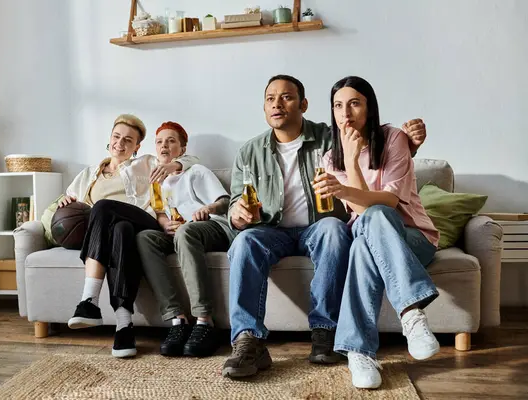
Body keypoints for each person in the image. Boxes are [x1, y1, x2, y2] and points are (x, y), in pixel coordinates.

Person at [221, 74, 428, 379]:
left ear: (304, 104)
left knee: (333, 228)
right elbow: (236, 204)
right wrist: (237, 214)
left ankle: (324, 332)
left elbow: (372, 149)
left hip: (317, 227)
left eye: (287, 97)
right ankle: (247, 340)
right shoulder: (248, 153)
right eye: (270, 99)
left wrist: (410, 145)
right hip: (271, 230)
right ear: (264, 107)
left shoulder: (330, 139)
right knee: (244, 242)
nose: (277, 104)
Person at [315, 76, 440, 389]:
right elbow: (360, 212)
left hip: (414, 238)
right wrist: (350, 157)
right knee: (363, 242)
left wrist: (353, 165)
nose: (346, 113)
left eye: (355, 103)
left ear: (369, 108)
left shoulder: (394, 138)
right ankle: (409, 318)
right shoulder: (331, 158)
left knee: (377, 216)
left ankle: (363, 346)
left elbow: (388, 201)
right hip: (368, 238)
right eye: (338, 106)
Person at [62, 114, 200, 358]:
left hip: (144, 222)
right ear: (109, 139)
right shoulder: (88, 174)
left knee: (104, 207)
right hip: (117, 233)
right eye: (116, 137)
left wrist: (174, 165)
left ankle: (88, 300)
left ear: (137, 146)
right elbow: (67, 203)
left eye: (128, 140)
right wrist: (62, 201)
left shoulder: (146, 162)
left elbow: (191, 159)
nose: (120, 143)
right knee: (119, 230)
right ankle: (124, 326)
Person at [136, 122, 236, 358]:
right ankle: (176, 319)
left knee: (186, 232)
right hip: (178, 233)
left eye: (171, 141)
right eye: (160, 141)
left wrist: (207, 208)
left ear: (182, 149)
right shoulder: (157, 182)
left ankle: (204, 321)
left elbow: (224, 201)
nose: (164, 145)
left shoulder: (197, 170)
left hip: (211, 228)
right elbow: (160, 212)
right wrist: (163, 223)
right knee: (145, 238)